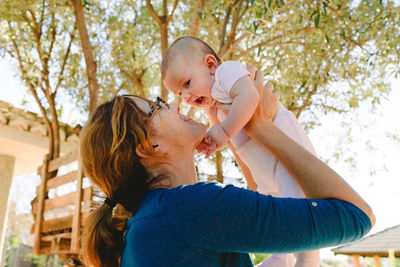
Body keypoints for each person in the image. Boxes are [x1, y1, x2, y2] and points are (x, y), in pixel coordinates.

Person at [79, 70, 375, 267]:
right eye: (156, 106)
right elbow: (356, 215)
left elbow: (254, 199)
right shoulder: (190, 208)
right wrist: (263, 128)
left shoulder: (150, 223)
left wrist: (237, 132)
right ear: (150, 147)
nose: (174, 104)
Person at [161, 36, 320, 266]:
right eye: (179, 94)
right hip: (263, 165)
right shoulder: (215, 100)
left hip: (283, 153)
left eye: (186, 84)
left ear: (210, 65)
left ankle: (308, 257)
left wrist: (223, 132)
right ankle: (279, 257)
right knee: (274, 212)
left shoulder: (228, 72)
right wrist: (213, 138)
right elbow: (226, 131)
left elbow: (251, 96)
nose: (186, 97)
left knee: (296, 203)